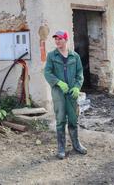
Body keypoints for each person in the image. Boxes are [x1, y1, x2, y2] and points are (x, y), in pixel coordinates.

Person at [44, 30, 87, 159]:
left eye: (60, 39)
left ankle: (76, 144)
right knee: (60, 119)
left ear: (66, 40)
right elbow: (47, 72)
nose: (57, 41)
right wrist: (58, 82)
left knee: (73, 119)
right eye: (56, 39)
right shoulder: (52, 56)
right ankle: (61, 147)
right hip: (58, 92)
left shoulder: (75, 56)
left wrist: (77, 87)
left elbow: (80, 74)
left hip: (71, 92)